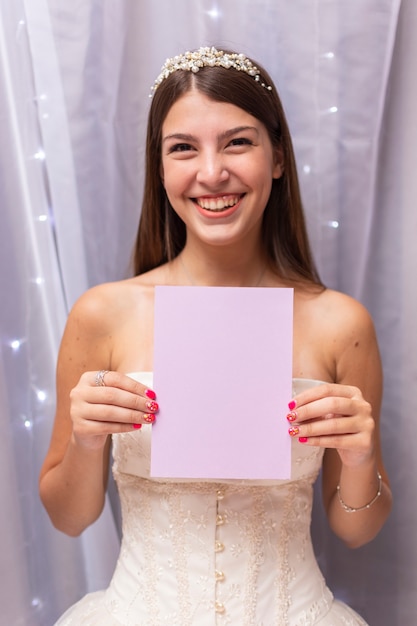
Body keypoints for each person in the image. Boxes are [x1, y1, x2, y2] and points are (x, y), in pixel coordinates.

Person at [39, 46, 392, 625]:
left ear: (277, 157)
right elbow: (69, 518)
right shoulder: (102, 313)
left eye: (238, 142)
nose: (211, 173)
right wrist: (85, 441)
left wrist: (359, 456)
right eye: (183, 148)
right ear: (159, 168)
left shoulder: (341, 323)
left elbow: (357, 528)